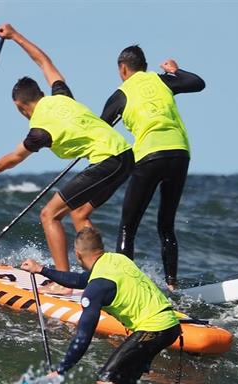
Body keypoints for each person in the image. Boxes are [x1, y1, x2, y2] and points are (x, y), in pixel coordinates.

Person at [0, 23, 134, 276]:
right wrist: (15, 35)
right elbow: (43, 62)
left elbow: (4, 164)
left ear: (20, 106)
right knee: (79, 213)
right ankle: (103, 274)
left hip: (107, 161)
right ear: (40, 93)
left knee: (49, 215)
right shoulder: (61, 96)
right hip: (126, 155)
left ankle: (63, 279)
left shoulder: (39, 131)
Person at [21, 226, 180, 384]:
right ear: (101, 248)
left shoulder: (96, 288)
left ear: (77, 254)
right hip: (171, 325)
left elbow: (83, 336)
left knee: (105, 379)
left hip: (153, 329)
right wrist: (41, 270)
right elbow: (80, 280)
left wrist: (61, 370)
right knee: (124, 381)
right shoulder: (117, 260)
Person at [99, 46, 205, 290]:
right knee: (166, 225)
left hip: (150, 156)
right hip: (179, 153)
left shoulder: (120, 94)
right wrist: (175, 71)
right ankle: (172, 285)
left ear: (123, 68)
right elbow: (197, 83)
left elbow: (101, 128)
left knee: (128, 226)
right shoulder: (162, 80)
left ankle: (126, 286)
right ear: (145, 67)